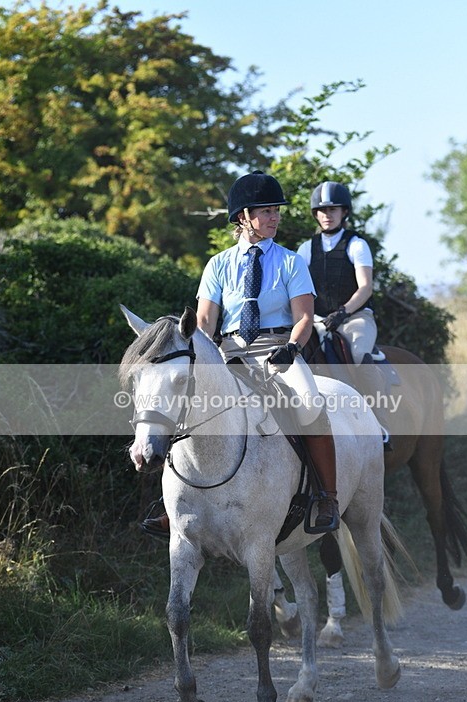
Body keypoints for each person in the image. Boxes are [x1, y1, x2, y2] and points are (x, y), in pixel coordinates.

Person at [142, 171, 340, 536]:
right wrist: (203, 358)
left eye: (276, 211)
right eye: (266, 211)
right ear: (243, 217)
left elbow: (304, 318)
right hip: (228, 352)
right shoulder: (218, 264)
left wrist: (292, 347)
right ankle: (173, 503)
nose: (275, 217)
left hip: (278, 350)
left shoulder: (291, 262)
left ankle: (327, 496)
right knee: (184, 407)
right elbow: (205, 322)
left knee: (311, 404)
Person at [297, 180, 391, 445]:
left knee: (359, 354)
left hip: (355, 318)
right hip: (317, 320)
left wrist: (343, 312)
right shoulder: (306, 249)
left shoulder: (357, 245)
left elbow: (365, 287)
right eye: (322, 210)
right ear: (315, 214)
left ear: (344, 212)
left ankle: (379, 421)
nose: (327, 215)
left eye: (333, 210)